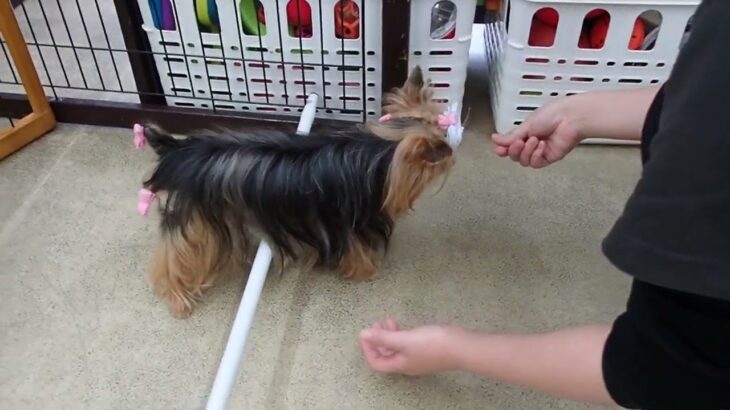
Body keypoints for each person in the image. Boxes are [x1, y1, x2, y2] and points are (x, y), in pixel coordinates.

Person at [358, 1, 730, 408]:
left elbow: (657, 367)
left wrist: (453, 348)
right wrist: (578, 113)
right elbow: (698, 93)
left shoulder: (703, 213)